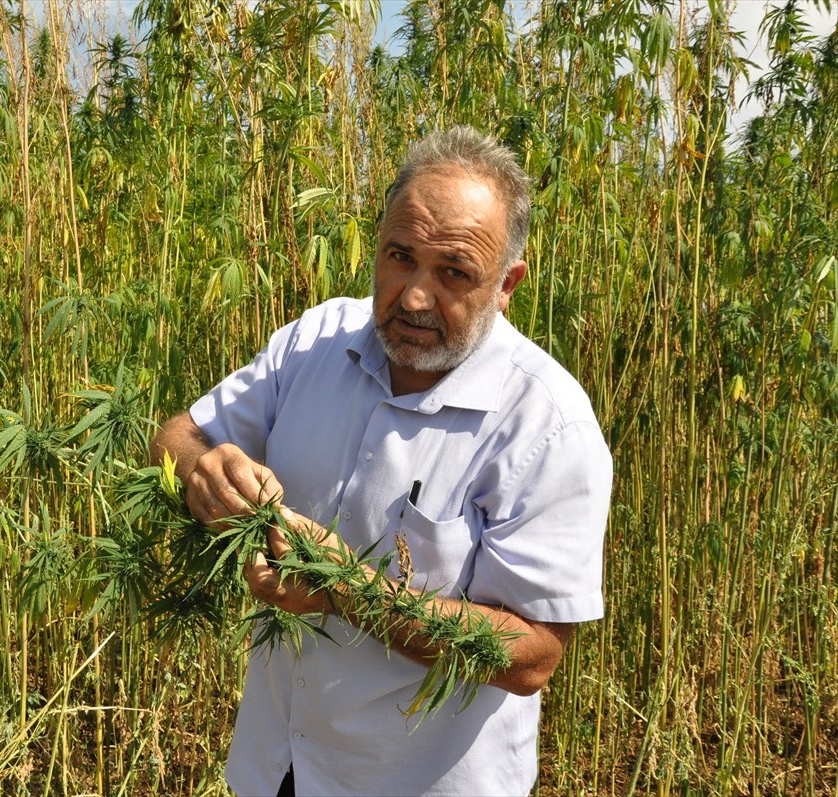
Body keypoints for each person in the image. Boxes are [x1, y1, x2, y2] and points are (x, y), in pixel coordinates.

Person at [150, 126, 612, 796]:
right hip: (277, 764)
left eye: (454, 272)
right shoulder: (316, 339)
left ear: (508, 283)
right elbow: (179, 434)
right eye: (400, 257)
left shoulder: (546, 425)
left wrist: (343, 588)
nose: (415, 296)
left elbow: (532, 653)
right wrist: (205, 469)